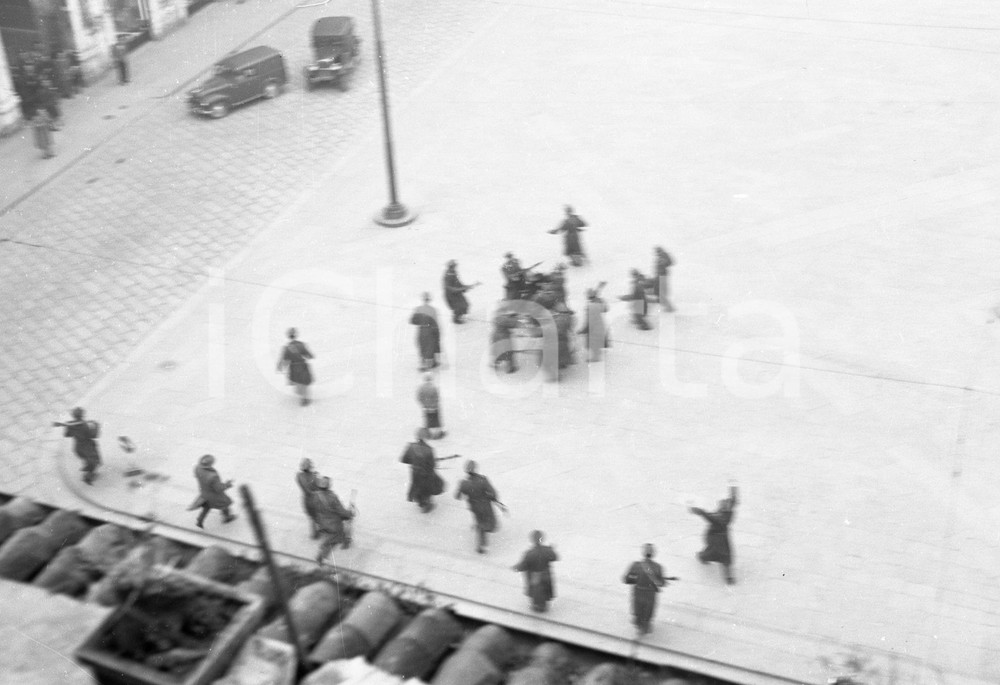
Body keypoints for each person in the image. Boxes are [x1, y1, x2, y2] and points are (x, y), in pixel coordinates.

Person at [690, 485, 739, 584]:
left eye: (725, 503)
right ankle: (702, 557)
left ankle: (727, 576)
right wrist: (733, 492)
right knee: (719, 554)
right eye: (724, 502)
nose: (724, 502)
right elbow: (732, 502)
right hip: (714, 538)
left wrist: (700, 511)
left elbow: (710, 517)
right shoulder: (724, 514)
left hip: (719, 538)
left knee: (722, 555)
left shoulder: (725, 515)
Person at [454, 460, 501, 554]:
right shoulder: (483, 480)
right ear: (475, 469)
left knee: (480, 521)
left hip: (474, 507)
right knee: (491, 524)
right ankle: (482, 537)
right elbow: (493, 493)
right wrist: (491, 498)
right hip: (485, 505)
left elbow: (457, 496)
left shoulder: (464, 483)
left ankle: (481, 541)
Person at [623, 543, 668, 635]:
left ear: (643, 553)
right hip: (650, 594)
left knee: (638, 608)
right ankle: (645, 625)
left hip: (638, 591)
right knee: (648, 610)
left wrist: (637, 579)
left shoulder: (635, 565)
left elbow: (627, 579)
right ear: (654, 554)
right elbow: (662, 583)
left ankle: (639, 624)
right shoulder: (658, 567)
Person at [513, 530, 558, 612]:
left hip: (535, 575)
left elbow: (523, 565)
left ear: (532, 540)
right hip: (546, 574)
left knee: (536, 591)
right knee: (545, 590)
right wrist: (551, 550)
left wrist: (516, 568)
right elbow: (554, 557)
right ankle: (543, 605)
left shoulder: (529, 553)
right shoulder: (547, 550)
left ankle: (537, 606)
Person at [313, 476, 354, 564]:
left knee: (331, 539)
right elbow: (341, 511)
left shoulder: (315, 495)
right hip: (334, 524)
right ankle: (322, 554)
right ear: (329, 486)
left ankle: (324, 553)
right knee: (335, 539)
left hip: (322, 522)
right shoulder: (332, 497)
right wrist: (349, 513)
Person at [53, 407, 101, 484]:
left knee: (87, 459)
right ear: (82, 415)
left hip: (78, 448)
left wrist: (68, 427)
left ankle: (87, 467)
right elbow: (93, 435)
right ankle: (88, 477)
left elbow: (67, 435)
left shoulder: (71, 424)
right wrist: (96, 426)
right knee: (94, 461)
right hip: (88, 448)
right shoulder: (85, 426)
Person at [400, 428, 443, 512]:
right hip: (425, 473)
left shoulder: (410, 446)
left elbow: (404, 459)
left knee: (416, 485)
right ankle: (425, 504)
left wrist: (414, 461)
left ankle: (420, 501)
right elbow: (432, 465)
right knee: (427, 487)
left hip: (415, 472)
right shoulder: (429, 450)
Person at [190, 454, 237, 528]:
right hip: (214, 495)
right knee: (225, 504)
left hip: (204, 493)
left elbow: (197, 476)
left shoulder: (197, 468)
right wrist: (227, 484)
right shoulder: (213, 476)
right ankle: (227, 517)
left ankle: (200, 520)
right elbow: (219, 488)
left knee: (207, 506)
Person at [277, 327, 314, 406]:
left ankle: (304, 398)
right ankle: (305, 398)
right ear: (296, 335)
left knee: (298, 383)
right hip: (302, 366)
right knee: (304, 382)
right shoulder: (301, 345)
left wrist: (280, 366)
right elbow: (309, 355)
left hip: (294, 368)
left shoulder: (287, 348)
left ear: (288, 336)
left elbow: (283, 359)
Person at [409, 293, 441, 371]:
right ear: (429, 299)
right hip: (430, 330)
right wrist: (437, 333)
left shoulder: (418, 309)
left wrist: (422, 321)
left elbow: (412, 320)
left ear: (423, 299)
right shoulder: (433, 310)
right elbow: (435, 322)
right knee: (431, 346)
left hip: (421, 330)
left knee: (422, 345)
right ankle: (431, 363)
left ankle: (423, 363)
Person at [578, 287, 609, 362]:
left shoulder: (590, 306)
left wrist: (583, 330)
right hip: (599, 325)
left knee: (593, 342)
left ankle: (596, 357)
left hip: (594, 328)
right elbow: (605, 309)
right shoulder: (598, 302)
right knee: (596, 340)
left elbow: (589, 321)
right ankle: (598, 352)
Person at [296, 458, 321, 538]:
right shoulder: (314, 477)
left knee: (312, 517)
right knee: (318, 515)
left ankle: (314, 534)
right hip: (314, 500)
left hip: (306, 500)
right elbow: (318, 487)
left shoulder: (299, 475)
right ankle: (319, 531)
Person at [490, 307, 520, 374]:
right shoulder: (506, 319)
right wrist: (516, 318)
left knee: (497, 350)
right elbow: (514, 324)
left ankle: (496, 364)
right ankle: (510, 368)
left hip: (495, 336)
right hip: (504, 337)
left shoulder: (497, 317)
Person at [417, 373, 446, 439]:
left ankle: (428, 434)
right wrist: (435, 404)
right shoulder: (433, 387)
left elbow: (419, 397)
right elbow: (437, 397)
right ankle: (438, 434)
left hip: (426, 408)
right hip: (434, 407)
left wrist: (423, 404)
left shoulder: (421, 388)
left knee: (428, 420)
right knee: (436, 421)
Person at [653, 247, 675, 312]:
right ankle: (667, 306)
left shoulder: (663, 255)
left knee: (662, 292)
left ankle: (669, 308)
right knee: (660, 292)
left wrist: (664, 262)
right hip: (660, 276)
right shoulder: (660, 257)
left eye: (657, 252)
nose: (657, 253)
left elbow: (670, 262)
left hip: (662, 276)